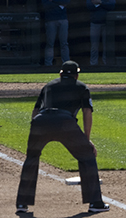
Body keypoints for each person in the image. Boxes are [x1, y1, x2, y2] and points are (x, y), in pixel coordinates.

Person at [15, 60, 109, 215]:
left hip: (41, 121)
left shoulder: (48, 86)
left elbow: (36, 110)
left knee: (32, 158)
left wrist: (35, 133)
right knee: (87, 157)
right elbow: (87, 112)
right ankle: (95, 203)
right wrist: (86, 139)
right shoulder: (81, 87)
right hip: (65, 123)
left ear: (60, 73)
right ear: (76, 75)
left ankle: (22, 204)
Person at [42, 0, 72, 66]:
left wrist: (53, 0)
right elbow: (45, 4)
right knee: (50, 43)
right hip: (50, 19)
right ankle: (48, 64)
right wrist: (60, 2)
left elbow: (67, 1)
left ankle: (67, 64)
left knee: (64, 43)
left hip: (63, 18)